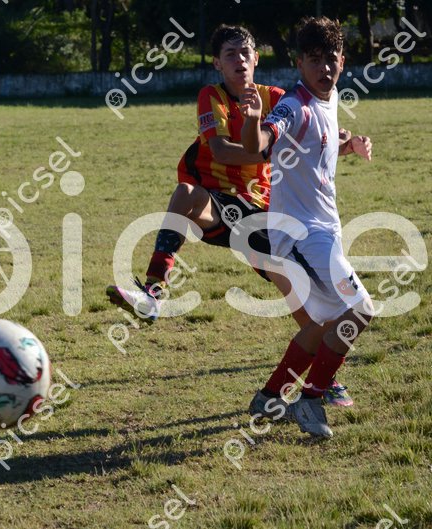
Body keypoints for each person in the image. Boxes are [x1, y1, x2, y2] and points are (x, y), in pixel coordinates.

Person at [106, 24, 357, 407]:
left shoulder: (277, 98)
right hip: (220, 204)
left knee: (303, 304)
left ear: (256, 59)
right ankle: (154, 293)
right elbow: (222, 151)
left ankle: (327, 377)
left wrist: (346, 143)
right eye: (230, 54)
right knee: (186, 193)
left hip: (263, 215)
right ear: (217, 64)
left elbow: (312, 134)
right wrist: (267, 149)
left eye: (245, 53)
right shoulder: (213, 97)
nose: (239, 60)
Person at [241, 16, 375, 438]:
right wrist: (254, 121)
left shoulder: (328, 99)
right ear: (299, 63)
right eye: (314, 60)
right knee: (360, 309)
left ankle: (269, 397)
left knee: (320, 325)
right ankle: (312, 400)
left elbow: (317, 145)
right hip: (300, 236)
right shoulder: (293, 104)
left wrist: (349, 145)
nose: (324, 67)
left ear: (343, 61)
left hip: (322, 232)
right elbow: (262, 144)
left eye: (330, 58)